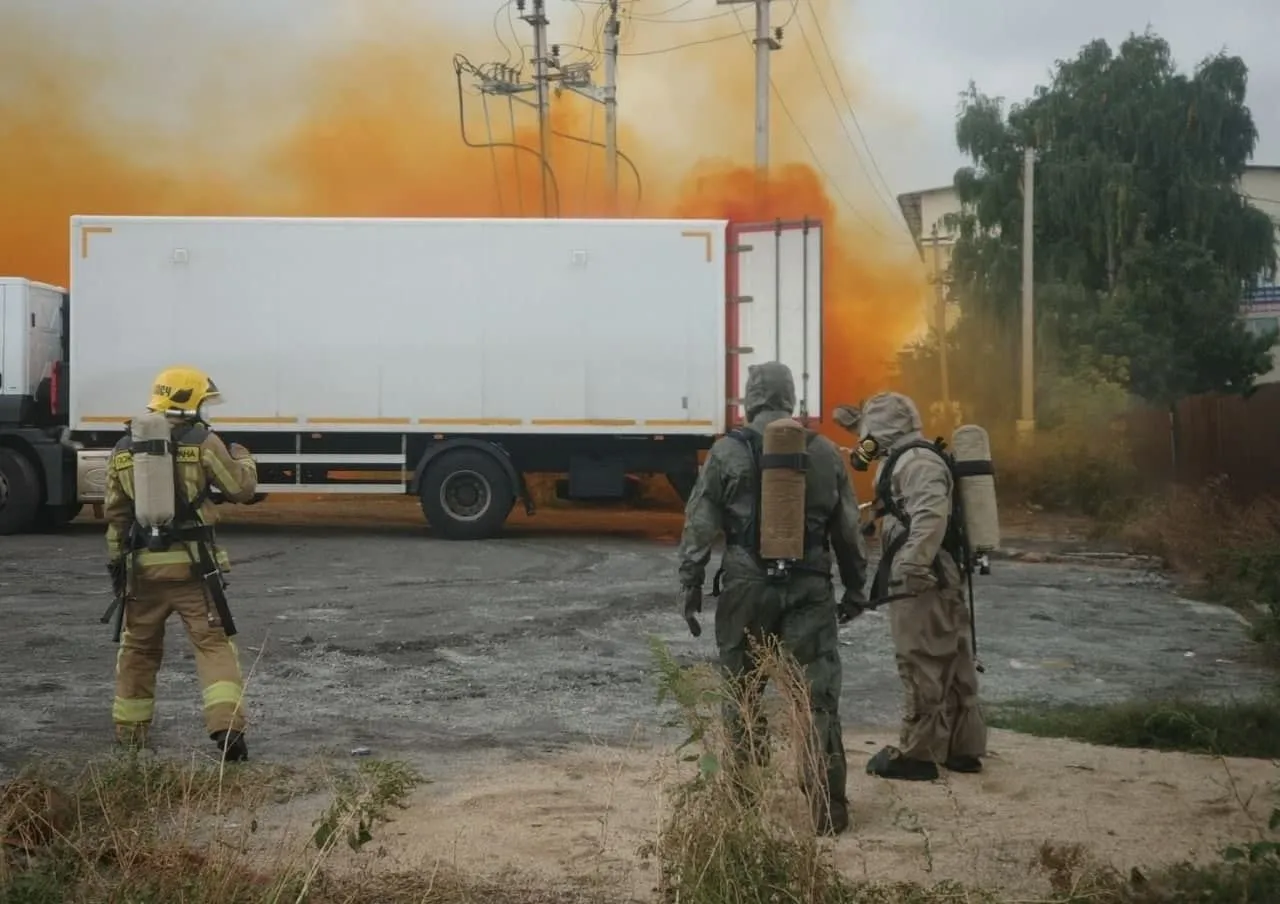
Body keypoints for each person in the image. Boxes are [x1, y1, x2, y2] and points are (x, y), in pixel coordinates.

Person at [675, 361, 869, 836]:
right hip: (810, 587)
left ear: (749, 400)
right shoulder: (824, 453)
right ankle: (828, 810)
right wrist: (857, 586)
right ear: (791, 402)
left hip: (746, 584)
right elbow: (848, 530)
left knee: (740, 692)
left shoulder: (727, 452)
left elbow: (700, 522)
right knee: (817, 697)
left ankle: (741, 803)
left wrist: (690, 583)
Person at [103, 365, 259, 761]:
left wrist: (118, 572)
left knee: (138, 650)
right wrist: (245, 457)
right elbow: (240, 489)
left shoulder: (124, 448)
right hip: (194, 571)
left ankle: (130, 736)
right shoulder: (203, 442)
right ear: (189, 401)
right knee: (213, 646)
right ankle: (226, 729)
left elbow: (116, 517)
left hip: (142, 573)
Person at [845, 390, 987, 781]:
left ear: (881, 427)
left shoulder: (917, 462)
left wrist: (911, 564)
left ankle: (919, 754)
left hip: (923, 573)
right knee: (953, 656)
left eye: (868, 429)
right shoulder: (910, 457)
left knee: (920, 658)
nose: (864, 438)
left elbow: (929, 515)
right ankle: (963, 748)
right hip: (937, 570)